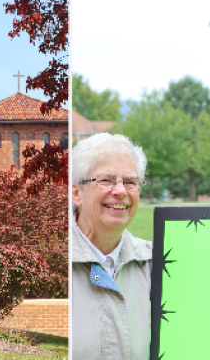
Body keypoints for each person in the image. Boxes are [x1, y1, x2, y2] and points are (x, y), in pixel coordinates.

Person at [71, 133, 152, 360]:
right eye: (106, 180)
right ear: (76, 192)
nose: (121, 191)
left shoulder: (160, 264)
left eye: (130, 182)